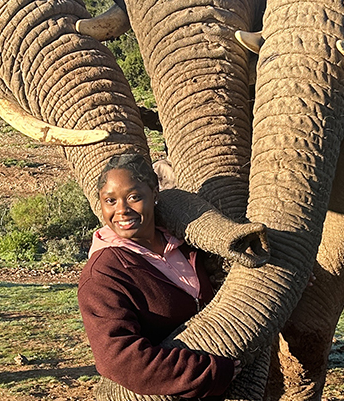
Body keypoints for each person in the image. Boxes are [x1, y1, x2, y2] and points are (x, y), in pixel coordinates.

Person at [77, 154, 239, 398]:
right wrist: (212, 372)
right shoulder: (103, 273)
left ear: (154, 194)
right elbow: (120, 360)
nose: (121, 210)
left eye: (134, 197)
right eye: (110, 200)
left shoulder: (186, 245)